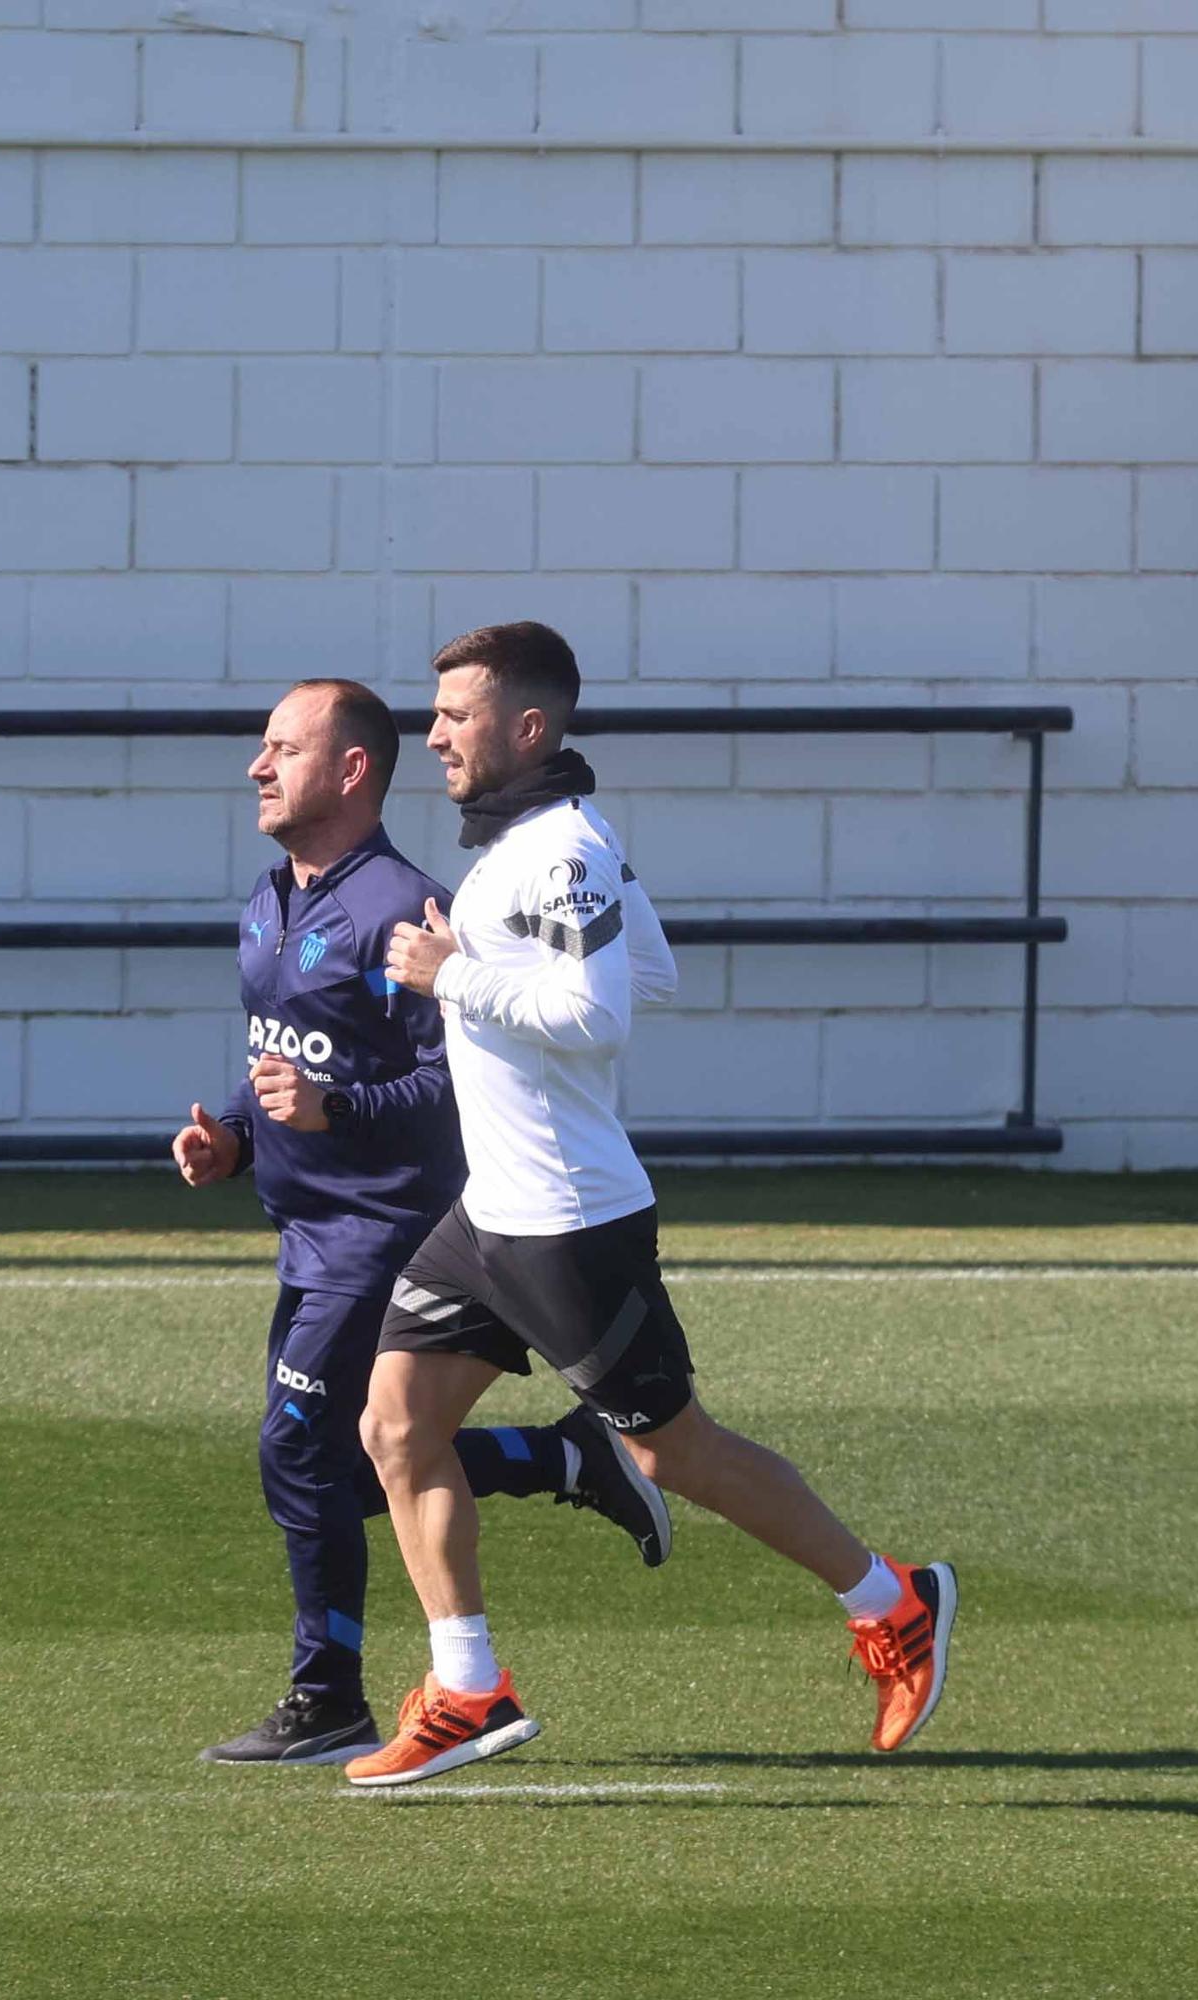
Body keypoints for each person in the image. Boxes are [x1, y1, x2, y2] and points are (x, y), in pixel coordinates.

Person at [346, 623, 959, 1788]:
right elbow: (651, 968)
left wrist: (452, 973)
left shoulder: (561, 846)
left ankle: (892, 1600)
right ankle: (468, 1686)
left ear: (527, 727)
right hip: (493, 1213)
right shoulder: (529, 843)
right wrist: (475, 952)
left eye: (454, 715)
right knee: (395, 1425)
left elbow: (603, 1013)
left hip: (569, 1222)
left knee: (673, 1451)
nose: (430, 735)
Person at [174, 676, 672, 1768]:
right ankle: (559, 1460)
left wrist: (337, 1109)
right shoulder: (268, 903)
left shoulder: (403, 903)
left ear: (350, 769)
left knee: (302, 1450)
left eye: (280, 747)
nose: (256, 766)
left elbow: (449, 1083)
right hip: (306, 1227)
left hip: (393, 1227)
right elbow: (293, 1064)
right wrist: (238, 1139)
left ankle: (328, 1694)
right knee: (329, 1462)